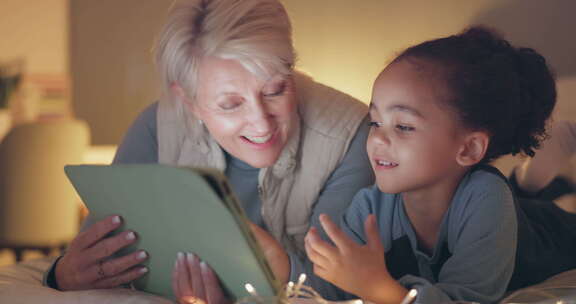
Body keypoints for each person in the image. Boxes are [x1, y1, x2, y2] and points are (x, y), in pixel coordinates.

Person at [42, 0, 374, 302]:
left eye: (276, 90)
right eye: (230, 104)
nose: (260, 124)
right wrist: (62, 274)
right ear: (189, 102)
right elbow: (96, 255)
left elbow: (351, 286)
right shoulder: (157, 126)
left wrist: (278, 269)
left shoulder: (348, 136)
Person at [299, 26, 576, 304]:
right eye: (375, 122)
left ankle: (531, 184)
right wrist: (280, 263)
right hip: (502, 208)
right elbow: (329, 289)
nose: (378, 139)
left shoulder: (487, 198)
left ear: (468, 148)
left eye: (404, 126)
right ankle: (529, 184)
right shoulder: (370, 206)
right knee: (517, 201)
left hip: (552, 235)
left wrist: (380, 289)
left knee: (523, 209)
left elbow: (467, 298)